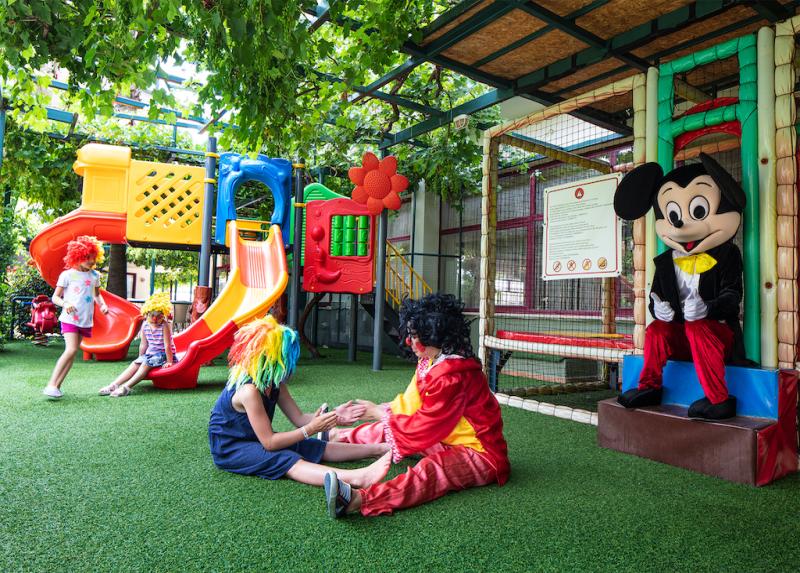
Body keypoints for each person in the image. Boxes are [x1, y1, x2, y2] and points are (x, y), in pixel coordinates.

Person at [323, 293, 510, 518]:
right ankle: (333, 438)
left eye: (414, 336)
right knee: (385, 428)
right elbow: (409, 404)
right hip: (445, 439)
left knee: (432, 471)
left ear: (434, 335)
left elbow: (426, 425)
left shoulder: (453, 374)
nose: (408, 342)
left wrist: (378, 413)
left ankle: (359, 499)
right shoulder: (429, 361)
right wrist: (372, 412)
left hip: (480, 453)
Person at [209, 315, 391, 488]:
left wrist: (335, 416)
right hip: (231, 448)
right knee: (285, 458)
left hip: (255, 439)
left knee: (309, 446)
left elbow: (300, 418)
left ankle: (381, 449)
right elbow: (270, 443)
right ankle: (358, 477)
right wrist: (310, 429)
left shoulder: (275, 385)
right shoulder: (249, 391)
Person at [42, 236, 108, 399]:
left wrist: (102, 305)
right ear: (77, 256)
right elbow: (55, 297)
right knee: (71, 349)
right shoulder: (67, 275)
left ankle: (57, 386)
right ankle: (51, 384)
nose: (91, 261)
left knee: (72, 352)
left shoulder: (95, 276)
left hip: (85, 320)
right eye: (87, 257)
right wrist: (65, 304)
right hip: (70, 318)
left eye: (93, 257)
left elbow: (97, 295)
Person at [99, 292, 176, 397]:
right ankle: (114, 385)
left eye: (159, 316)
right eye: (152, 316)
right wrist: (141, 357)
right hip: (151, 354)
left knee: (146, 364)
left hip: (163, 354)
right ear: (147, 314)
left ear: (163, 316)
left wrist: (169, 361)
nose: (155, 319)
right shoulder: (145, 325)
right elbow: (143, 344)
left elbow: (167, 345)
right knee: (135, 363)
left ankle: (126, 387)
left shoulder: (164, 326)